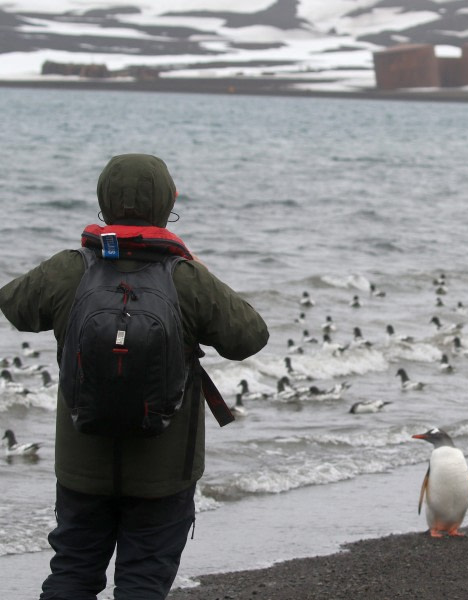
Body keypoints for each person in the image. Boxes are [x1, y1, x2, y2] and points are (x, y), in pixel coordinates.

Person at [0, 154, 269, 599]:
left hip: (81, 466)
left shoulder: (71, 267)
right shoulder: (184, 276)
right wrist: (196, 268)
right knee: (143, 581)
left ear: (103, 201)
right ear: (168, 202)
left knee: (72, 571)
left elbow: (15, 306)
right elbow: (250, 336)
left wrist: (79, 265)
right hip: (163, 472)